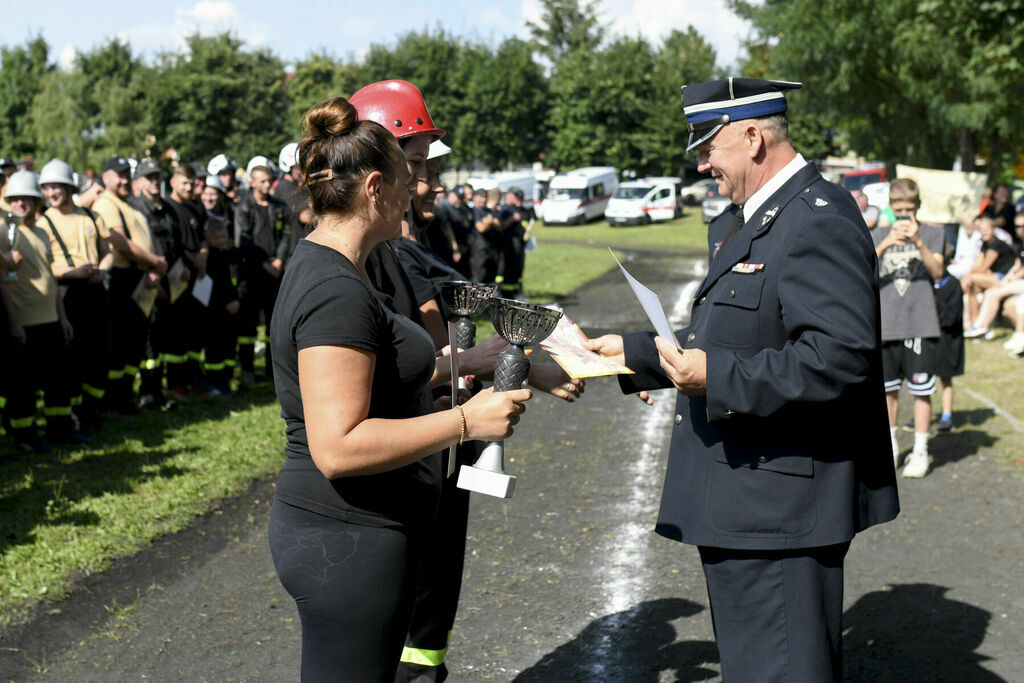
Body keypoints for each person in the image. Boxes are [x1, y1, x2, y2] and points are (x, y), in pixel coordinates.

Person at [584, 78, 899, 682]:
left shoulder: (815, 220)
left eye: (709, 146)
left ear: (753, 137)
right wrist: (634, 353)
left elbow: (840, 357)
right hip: (752, 499)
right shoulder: (748, 219)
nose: (702, 165)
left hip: (779, 508)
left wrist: (717, 376)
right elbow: (736, 333)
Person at [267, 96, 532, 681]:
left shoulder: (344, 269)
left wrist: (427, 400)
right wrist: (466, 423)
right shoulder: (334, 288)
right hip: (346, 537)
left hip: (360, 531)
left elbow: (372, 385)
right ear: (373, 187)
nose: (415, 189)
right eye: (405, 178)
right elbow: (337, 447)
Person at [873, 178, 947, 477]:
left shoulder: (933, 232)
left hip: (919, 323)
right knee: (888, 392)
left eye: (909, 209)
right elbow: (862, 272)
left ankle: (921, 450)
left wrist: (918, 241)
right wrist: (886, 243)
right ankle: (890, 447)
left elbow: (939, 271)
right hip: (886, 324)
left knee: (921, 391)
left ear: (918, 207)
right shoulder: (877, 233)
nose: (904, 215)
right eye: (899, 209)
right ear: (891, 207)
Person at [0, 170, 78, 451]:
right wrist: (14, 323)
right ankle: (25, 437)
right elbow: (4, 284)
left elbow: (50, 277)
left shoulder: (43, 233)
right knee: (23, 386)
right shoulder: (6, 233)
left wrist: (63, 317)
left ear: (36, 201)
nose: (20, 204)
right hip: (24, 321)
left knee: (58, 380)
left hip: (51, 319)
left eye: (27, 199)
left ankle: (60, 429)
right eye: (15, 199)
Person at [38, 158, 112, 431]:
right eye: (46, 189)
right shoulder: (44, 223)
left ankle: (90, 412)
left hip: (94, 290)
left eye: (55, 187)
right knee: (71, 356)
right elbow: (46, 266)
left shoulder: (92, 216)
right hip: (67, 292)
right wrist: (73, 273)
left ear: (69, 187)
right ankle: (70, 417)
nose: (50, 194)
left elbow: (107, 253)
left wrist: (101, 271)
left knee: (98, 353)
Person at [92, 156, 167, 413]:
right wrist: (155, 261)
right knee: (119, 344)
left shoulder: (130, 206)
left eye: (127, 174)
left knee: (134, 342)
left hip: (140, 280)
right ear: (106, 177)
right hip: (121, 280)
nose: (124, 180)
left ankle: (125, 397)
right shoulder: (106, 204)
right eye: (119, 175)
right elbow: (121, 243)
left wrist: (155, 266)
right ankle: (114, 400)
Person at [234, 164, 295, 385]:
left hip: (275, 275)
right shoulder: (244, 207)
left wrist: (278, 260)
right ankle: (248, 370)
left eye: (269, 180)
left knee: (274, 325)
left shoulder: (278, 206)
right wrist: (263, 264)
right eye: (262, 181)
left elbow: (285, 235)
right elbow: (244, 239)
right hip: (252, 275)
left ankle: (273, 372)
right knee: (248, 326)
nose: (267, 184)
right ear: (252, 183)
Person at [200, 218, 240, 396]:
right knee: (215, 349)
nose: (222, 240)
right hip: (215, 312)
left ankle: (226, 380)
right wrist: (226, 302)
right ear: (208, 239)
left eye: (224, 236)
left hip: (231, 312)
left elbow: (235, 281)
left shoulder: (231, 255)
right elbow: (214, 287)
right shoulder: (210, 259)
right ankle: (214, 383)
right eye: (217, 238)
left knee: (229, 347)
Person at [963, 216, 1018, 337]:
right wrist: (969, 274)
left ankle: (978, 325)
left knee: (971, 280)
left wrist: (969, 275)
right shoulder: (984, 244)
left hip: (1005, 277)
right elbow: (977, 265)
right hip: (993, 276)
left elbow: (983, 267)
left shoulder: (996, 244)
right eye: (981, 229)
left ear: (993, 229)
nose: (984, 232)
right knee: (970, 286)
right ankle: (976, 323)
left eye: (986, 229)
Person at [469, 188, 502, 283]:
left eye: (485, 197)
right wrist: (490, 222)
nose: (484, 200)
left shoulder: (488, 211)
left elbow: (499, 226)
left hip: (491, 248)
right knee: (479, 276)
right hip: (479, 249)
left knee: (490, 275)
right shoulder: (474, 211)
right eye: (481, 197)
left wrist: (488, 221)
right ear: (475, 197)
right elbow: (481, 228)